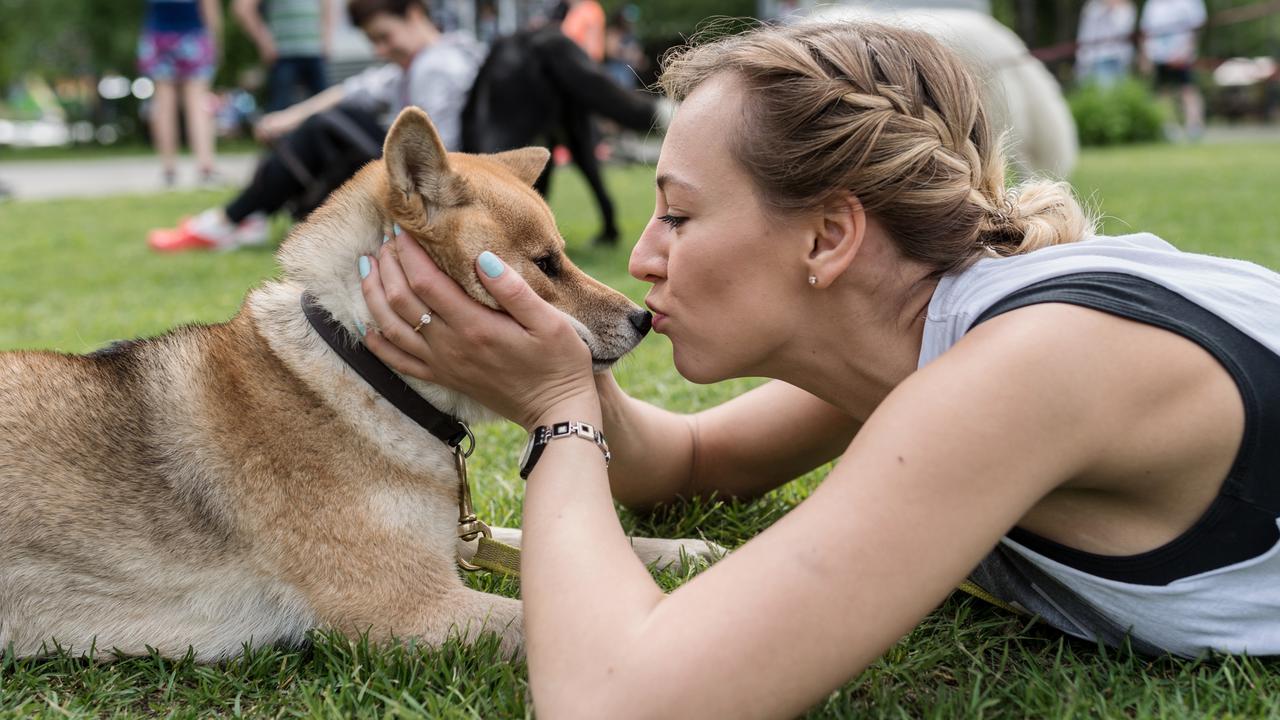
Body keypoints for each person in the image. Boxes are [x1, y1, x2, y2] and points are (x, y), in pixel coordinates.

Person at [356, 20, 1280, 718]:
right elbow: (687, 469)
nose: (641, 258)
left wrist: (557, 411)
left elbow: (618, 698)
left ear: (831, 236)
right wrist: (562, 364)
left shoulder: (1032, 364)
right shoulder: (924, 325)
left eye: (677, 215)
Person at [148, 0, 484, 251]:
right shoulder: (422, 62)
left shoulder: (437, 67)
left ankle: (232, 220)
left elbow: (443, 153)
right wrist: (289, 117)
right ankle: (245, 217)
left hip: (428, 188)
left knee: (326, 128)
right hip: (415, 177)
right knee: (330, 119)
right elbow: (352, 90)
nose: (381, 49)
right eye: (374, 41)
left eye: (385, 36)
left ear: (413, 14)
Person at [137, 0, 223, 188]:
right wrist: (215, 40)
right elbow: (209, 6)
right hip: (193, 34)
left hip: (158, 35)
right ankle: (205, 167)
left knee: (163, 105)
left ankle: (169, 170)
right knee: (197, 103)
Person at [232, 0, 332, 112]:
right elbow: (242, 8)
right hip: (283, 55)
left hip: (314, 50)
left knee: (328, 109)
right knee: (279, 110)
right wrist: (264, 42)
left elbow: (328, 4)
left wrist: (327, 37)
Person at [1139, 0, 1208, 140]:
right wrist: (1145, 56)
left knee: (1187, 89)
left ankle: (1194, 127)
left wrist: (1186, 50)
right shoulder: (1153, 4)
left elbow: (1197, 27)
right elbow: (1145, 31)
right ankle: (1169, 128)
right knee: (1163, 92)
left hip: (1182, 55)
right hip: (1158, 55)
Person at [1075, 0, 1137, 87]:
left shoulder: (1127, 8)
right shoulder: (1093, 7)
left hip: (1121, 59)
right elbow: (1086, 34)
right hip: (1098, 59)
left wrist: (1114, 9)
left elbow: (1123, 30)